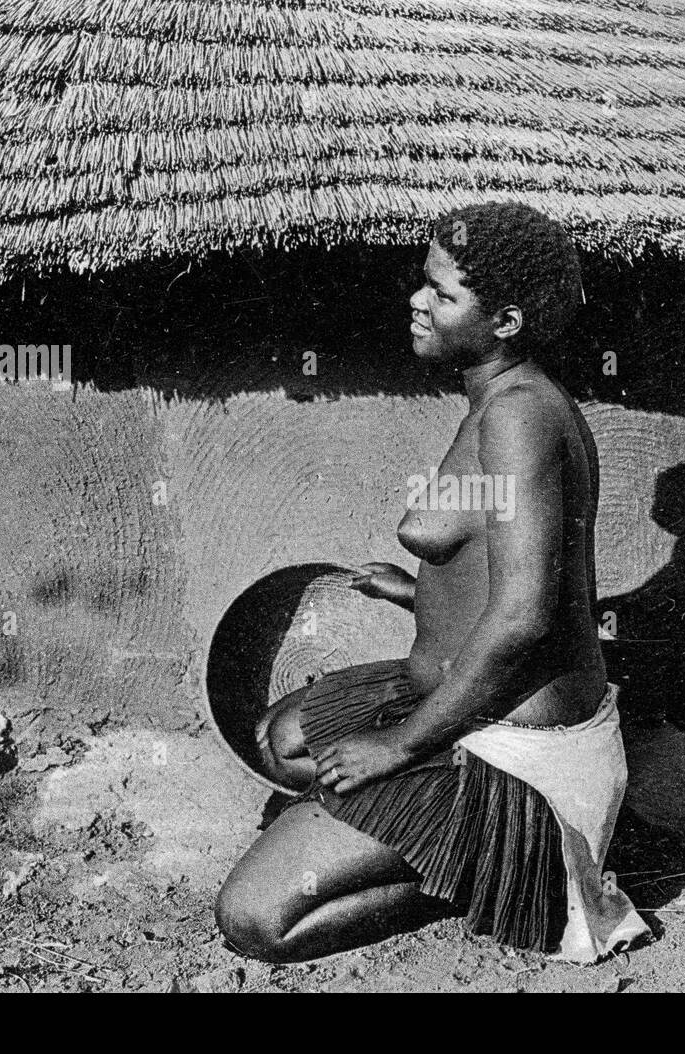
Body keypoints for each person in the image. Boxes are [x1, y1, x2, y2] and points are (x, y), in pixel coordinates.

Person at [215, 201, 647, 964]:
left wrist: (399, 747)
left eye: (444, 295)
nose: (418, 301)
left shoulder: (520, 419)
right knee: (280, 743)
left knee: (255, 919)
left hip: (518, 751)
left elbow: (524, 618)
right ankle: (412, 831)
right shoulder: (495, 401)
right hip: (464, 702)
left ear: (506, 320)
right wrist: (416, 593)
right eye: (424, 283)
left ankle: (506, 872)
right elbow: (509, 570)